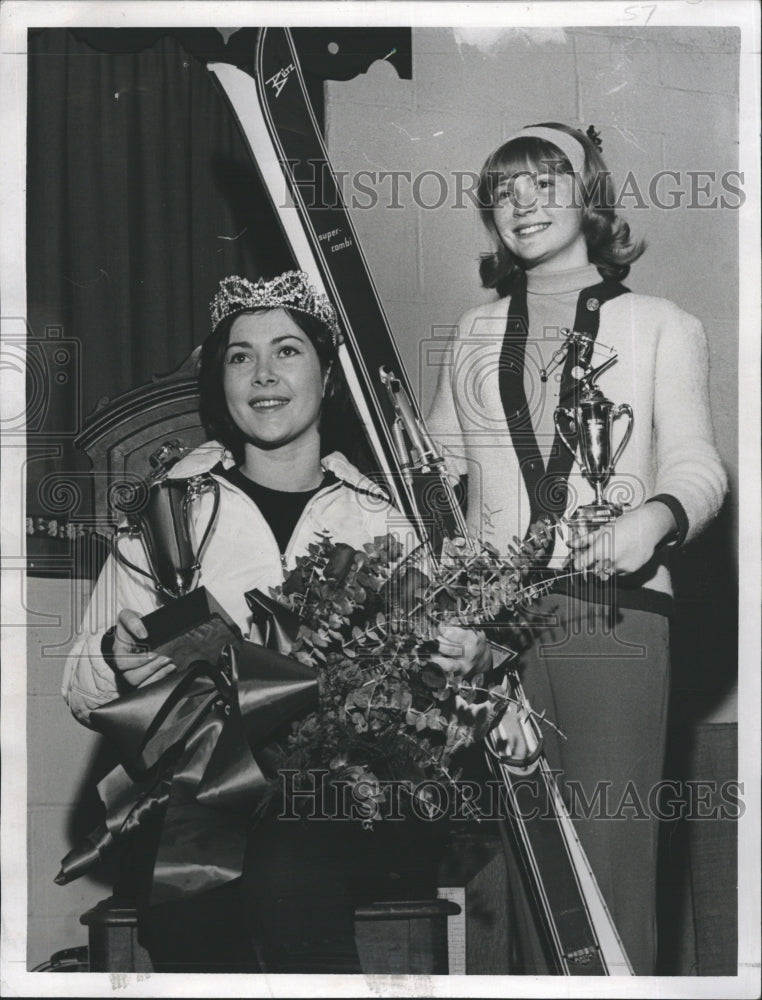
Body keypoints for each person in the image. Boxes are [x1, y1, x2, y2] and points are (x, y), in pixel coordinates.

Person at [63, 269, 492, 973]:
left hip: (348, 804)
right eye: (240, 356)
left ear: (327, 378)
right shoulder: (170, 515)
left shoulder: (382, 521)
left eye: (287, 351)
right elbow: (80, 685)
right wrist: (118, 660)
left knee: (288, 853)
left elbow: (448, 713)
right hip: (195, 798)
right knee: (197, 893)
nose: (263, 375)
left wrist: (458, 669)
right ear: (221, 382)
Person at [427, 123, 727, 974]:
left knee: (607, 869)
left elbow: (698, 464)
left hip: (614, 615)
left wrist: (655, 519)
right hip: (495, 626)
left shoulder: (664, 323)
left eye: (544, 181)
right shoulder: (476, 330)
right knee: (526, 874)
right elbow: (441, 472)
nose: (520, 203)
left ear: (590, 193)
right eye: (504, 189)